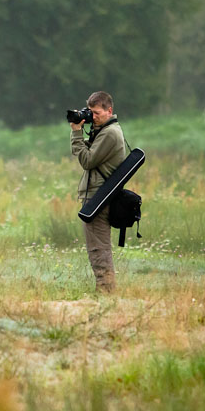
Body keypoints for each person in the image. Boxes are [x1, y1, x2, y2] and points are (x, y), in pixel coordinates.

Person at [70, 91, 128, 292]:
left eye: (96, 113)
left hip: (99, 197)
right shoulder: (104, 131)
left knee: (98, 248)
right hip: (98, 194)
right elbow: (86, 154)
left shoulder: (110, 133)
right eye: (90, 112)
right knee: (99, 246)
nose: (92, 117)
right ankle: (106, 289)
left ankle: (106, 291)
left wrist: (77, 132)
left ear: (109, 110)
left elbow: (87, 160)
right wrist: (83, 130)